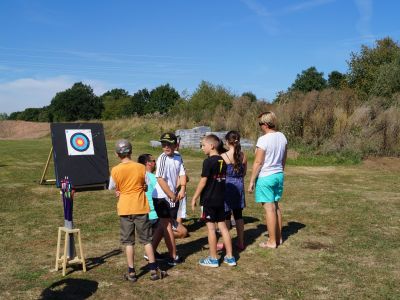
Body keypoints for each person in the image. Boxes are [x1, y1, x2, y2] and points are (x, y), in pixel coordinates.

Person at [109, 140, 166, 282]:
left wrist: (119, 190)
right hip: (140, 207)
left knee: (129, 242)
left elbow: (112, 187)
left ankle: (132, 272)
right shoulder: (140, 167)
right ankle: (153, 269)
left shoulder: (115, 170)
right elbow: (145, 185)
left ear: (117, 154)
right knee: (146, 240)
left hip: (124, 208)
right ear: (131, 152)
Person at [191, 134, 236, 267]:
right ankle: (230, 257)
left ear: (211, 146)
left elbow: (203, 181)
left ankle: (213, 258)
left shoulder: (208, 161)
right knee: (223, 227)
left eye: (203, 145)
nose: (202, 148)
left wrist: (194, 197)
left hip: (209, 200)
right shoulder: (223, 160)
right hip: (221, 199)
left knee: (211, 229)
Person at [248, 112, 287, 249]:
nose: (260, 127)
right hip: (278, 174)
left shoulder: (263, 140)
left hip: (266, 176)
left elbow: (258, 162)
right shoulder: (282, 137)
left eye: (260, 124)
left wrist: (252, 180)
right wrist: (280, 171)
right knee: (275, 206)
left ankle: (271, 241)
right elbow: (283, 158)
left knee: (269, 209)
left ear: (265, 124)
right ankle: (279, 237)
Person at [151, 132, 187, 266]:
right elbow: (160, 179)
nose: (165, 147)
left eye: (169, 144)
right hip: (161, 197)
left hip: (171, 197)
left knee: (163, 224)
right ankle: (173, 256)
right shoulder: (162, 159)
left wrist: (182, 188)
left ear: (176, 145)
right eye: (163, 144)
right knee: (167, 226)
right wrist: (171, 195)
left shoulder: (178, 156)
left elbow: (183, 173)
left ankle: (151, 251)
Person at [221, 130, 247, 251]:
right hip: (239, 186)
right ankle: (241, 242)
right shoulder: (243, 155)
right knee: (238, 215)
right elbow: (244, 173)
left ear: (227, 142)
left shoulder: (223, 156)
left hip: (227, 187)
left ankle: (226, 243)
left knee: (226, 216)